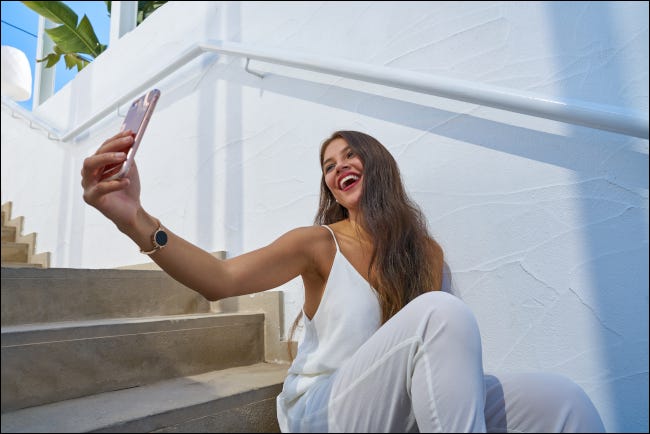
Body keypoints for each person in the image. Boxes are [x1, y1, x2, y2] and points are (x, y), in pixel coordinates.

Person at [82, 129, 606, 433]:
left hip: (392, 404)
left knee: (563, 400)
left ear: (377, 163)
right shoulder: (318, 243)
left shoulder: (426, 253)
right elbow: (219, 280)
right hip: (324, 410)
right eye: (328, 166)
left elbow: (431, 362)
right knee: (443, 315)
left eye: (348, 155)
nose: (337, 168)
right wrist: (133, 217)